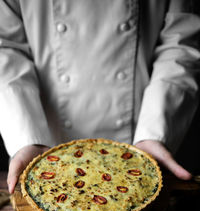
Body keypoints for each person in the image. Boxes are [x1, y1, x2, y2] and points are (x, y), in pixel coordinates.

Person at [0, 0, 199, 194]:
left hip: (140, 134)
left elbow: (179, 45)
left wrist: (156, 131)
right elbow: (5, 47)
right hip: (47, 140)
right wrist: (27, 137)